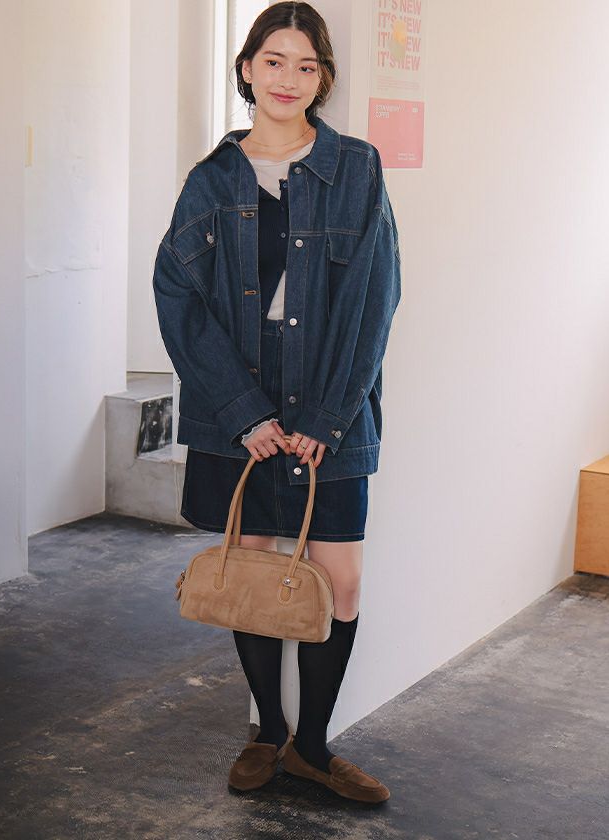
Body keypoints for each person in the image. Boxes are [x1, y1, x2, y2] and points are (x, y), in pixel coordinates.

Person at [153, 1, 401, 803]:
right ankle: (267, 731)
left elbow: (375, 297)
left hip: (332, 409)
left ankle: (314, 749)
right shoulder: (212, 180)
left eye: (306, 65)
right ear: (247, 69)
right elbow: (179, 298)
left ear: (322, 77)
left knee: (341, 582)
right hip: (243, 413)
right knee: (251, 572)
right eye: (273, 61)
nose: (288, 79)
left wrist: (328, 416)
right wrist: (243, 413)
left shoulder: (357, 168)